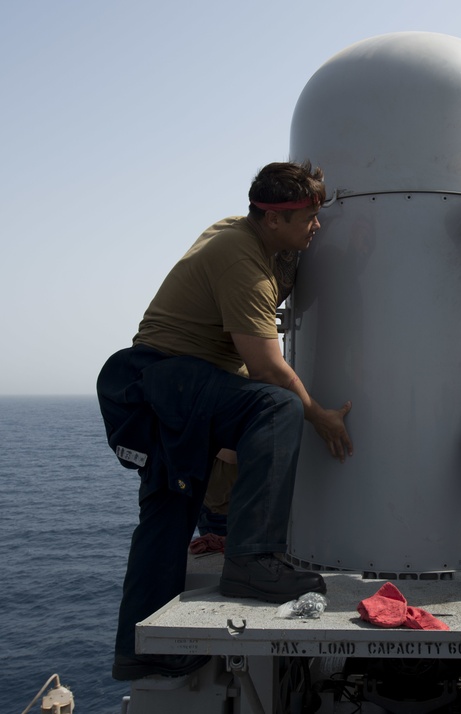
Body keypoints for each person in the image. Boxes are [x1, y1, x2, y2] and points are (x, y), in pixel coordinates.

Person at [97, 160, 353, 682]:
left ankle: (138, 650)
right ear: (274, 220)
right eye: (309, 217)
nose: (317, 226)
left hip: (157, 390)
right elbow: (267, 370)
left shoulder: (248, 234)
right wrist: (320, 418)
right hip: (166, 380)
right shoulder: (243, 263)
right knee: (277, 405)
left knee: (167, 519)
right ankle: (253, 561)